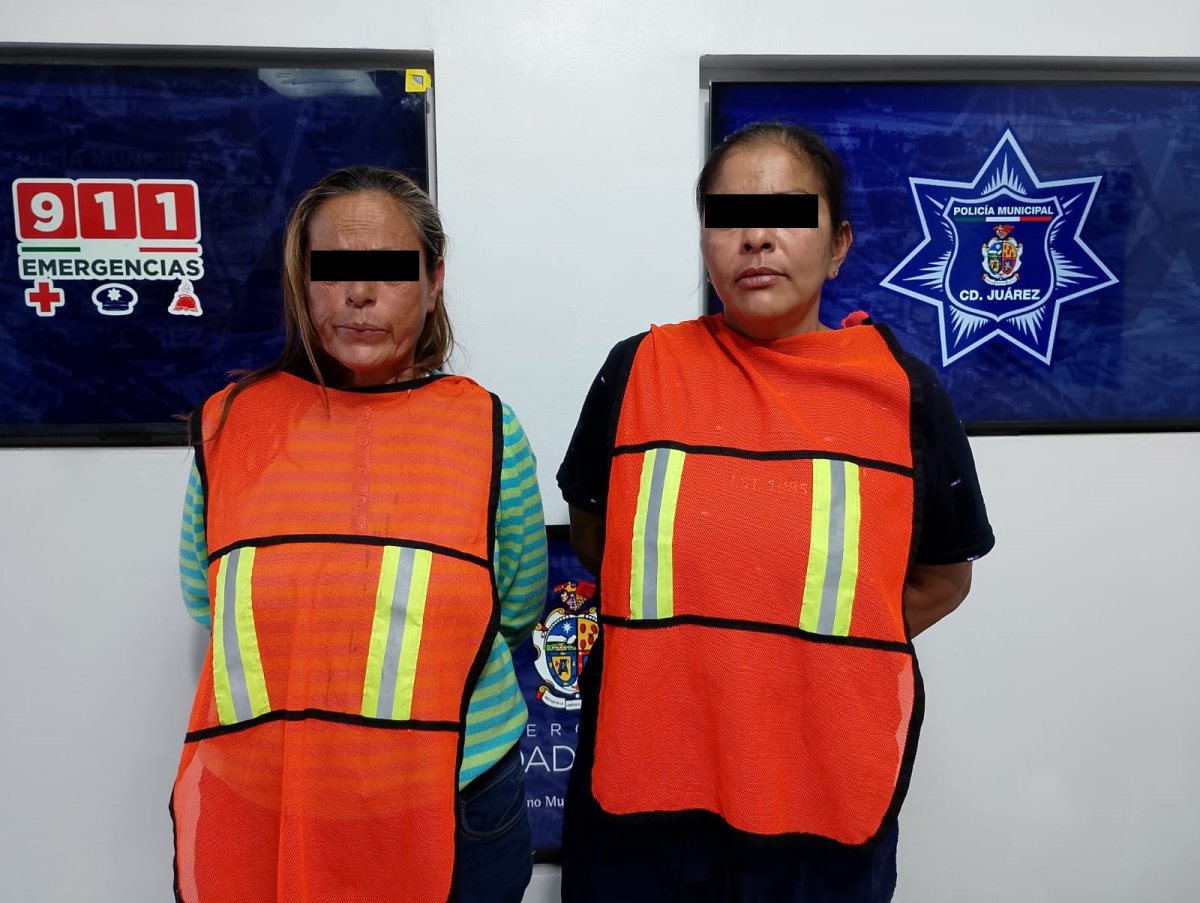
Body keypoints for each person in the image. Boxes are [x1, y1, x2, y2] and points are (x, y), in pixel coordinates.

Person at [556, 123, 994, 902]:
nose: (755, 237)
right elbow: (598, 537)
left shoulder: (903, 392)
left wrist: (803, 652)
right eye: (729, 217)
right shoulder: (636, 371)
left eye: (788, 214)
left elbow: (941, 579)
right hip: (644, 803)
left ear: (839, 245)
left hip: (819, 804)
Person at [171, 166, 547, 903]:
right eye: (333, 269)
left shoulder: (488, 429)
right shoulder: (231, 423)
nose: (359, 293)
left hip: (457, 796)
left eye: (390, 269)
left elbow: (516, 609)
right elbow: (205, 599)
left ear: (433, 282)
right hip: (267, 796)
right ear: (302, 284)